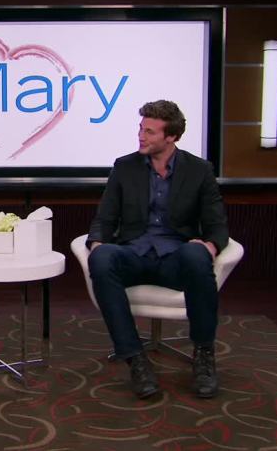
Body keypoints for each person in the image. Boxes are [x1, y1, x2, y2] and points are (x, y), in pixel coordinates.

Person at [87, 99, 228, 400]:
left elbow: (217, 224)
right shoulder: (125, 167)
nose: (141, 136)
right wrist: (98, 243)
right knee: (101, 256)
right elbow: (105, 218)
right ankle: (135, 359)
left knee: (197, 254)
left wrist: (210, 246)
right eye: (141, 129)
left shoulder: (199, 170)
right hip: (134, 255)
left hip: (175, 258)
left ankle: (204, 355)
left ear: (171, 136)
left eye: (149, 132)